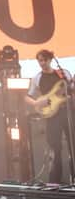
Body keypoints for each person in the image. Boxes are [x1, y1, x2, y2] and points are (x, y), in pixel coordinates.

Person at [25, 49, 73, 184]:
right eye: (39, 60)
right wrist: (36, 102)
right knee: (55, 147)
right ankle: (54, 183)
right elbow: (27, 97)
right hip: (51, 116)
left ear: (51, 60)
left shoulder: (63, 73)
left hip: (67, 112)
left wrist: (70, 93)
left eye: (44, 60)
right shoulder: (37, 78)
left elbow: (71, 88)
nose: (42, 63)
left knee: (73, 146)